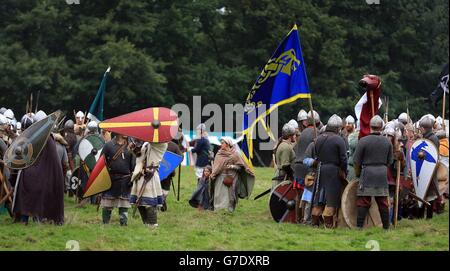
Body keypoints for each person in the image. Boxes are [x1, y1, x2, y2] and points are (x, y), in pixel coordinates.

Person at [13, 111, 65, 225]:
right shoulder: (48, 138)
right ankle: (28, 219)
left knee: (27, 186)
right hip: (40, 174)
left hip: (37, 174)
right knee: (29, 187)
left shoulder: (46, 138)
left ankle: (27, 219)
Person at [353, 115, 393, 230]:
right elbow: (389, 162)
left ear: (370, 126)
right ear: (381, 127)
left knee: (364, 201)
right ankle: (386, 228)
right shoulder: (387, 142)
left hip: (367, 173)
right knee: (382, 202)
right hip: (381, 173)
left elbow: (356, 161)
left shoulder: (363, 141)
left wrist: (358, 174)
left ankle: (359, 227)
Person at [310, 114, 348, 228]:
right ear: (337, 128)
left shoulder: (318, 139)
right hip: (333, 172)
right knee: (331, 200)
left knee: (319, 200)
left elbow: (316, 155)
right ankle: (328, 226)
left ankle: (315, 225)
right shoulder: (339, 140)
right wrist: (343, 171)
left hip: (320, 170)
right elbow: (343, 159)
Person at [210, 137, 255, 212]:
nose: (221, 144)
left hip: (232, 177)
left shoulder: (235, 154)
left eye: (222, 143)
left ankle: (229, 209)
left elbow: (241, 167)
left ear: (227, 144)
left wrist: (232, 166)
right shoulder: (219, 153)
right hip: (220, 177)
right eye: (221, 143)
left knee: (231, 195)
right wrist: (213, 174)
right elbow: (216, 167)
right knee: (219, 194)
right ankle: (218, 209)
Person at [100, 134, 135, 226]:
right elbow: (101, 161)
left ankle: (123, 225)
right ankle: (105, 224)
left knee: (124, 204)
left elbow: (133, 165)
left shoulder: (130, 146)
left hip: (125, 180)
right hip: (111, 179)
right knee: (107, 204)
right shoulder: (108, 145)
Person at [130, 140, 167, 228]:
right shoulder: (146, 144)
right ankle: (145, 223)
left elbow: (154, 144)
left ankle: (153, 224)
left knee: (150, 202)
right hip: (140, 174)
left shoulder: (162, 144)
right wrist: (134, 149)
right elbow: (140, 156)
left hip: (151, 175)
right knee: (139, 202)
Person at [419, 116, 440, 219]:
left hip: (429, 169)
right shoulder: (427, 137)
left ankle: (429, 216)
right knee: (423, 192)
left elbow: (433, 156)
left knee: (430, 194)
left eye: (421, 128)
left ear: (423, 128)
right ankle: (421, 215)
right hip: (424, 169)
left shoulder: (432, 139)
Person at [160, 139, 183, 212]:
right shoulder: (173, 145)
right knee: (163, 188)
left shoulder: (173, 146)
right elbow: (181, 157)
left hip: (166, 171)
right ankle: (161, 200)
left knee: (164, 188)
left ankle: (161, 200)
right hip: (162, 170)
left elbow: (180, 157)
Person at [274, 124, 296, 189]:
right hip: (283, 177)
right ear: (290, 136)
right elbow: (285, 165)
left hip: (283, 175)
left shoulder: (284, 145)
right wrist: (292, 176)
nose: (295, 136)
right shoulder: (286, 147)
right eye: (294, 135)